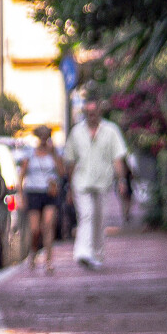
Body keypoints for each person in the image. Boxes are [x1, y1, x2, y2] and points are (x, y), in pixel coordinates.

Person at [63, 98, 128, 270]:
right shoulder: (76, 132)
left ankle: (97, 254)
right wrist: (69, 187)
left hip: (103, 182)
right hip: (81, 182)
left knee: (100, 219)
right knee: (87, 215)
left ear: (99, 112)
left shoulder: (111, 131)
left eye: (94, 112)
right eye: (88, 113)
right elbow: (70, 161)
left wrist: (121, 180)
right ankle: (82, 252)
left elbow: (118, 158)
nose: (91, 116)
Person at [19, 125, 66, 273]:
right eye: (42, 138)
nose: (44, 141)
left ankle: (48, 260)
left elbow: (62, 172)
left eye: (47, 138)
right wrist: (20, 195)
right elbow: (21, 175)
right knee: (35, 229)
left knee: (48, 225)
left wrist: (53, 155)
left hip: (50, 193)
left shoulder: (55, 153)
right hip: (33, 192)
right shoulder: (30, 154)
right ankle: (33, 252)